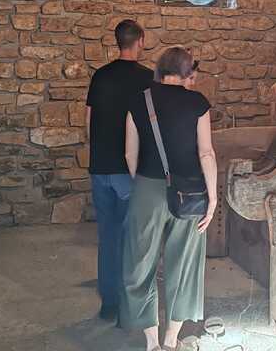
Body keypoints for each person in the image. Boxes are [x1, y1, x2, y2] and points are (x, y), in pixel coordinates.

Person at [121, 47, 217, 351]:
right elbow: (206, 153)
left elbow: (129, 153)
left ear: (161, 70)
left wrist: (144, 184)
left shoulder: (139, 100)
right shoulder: (197, 103)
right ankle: (171, 340)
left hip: (147, 188)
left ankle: (151, 343)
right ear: (187, 72)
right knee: (184, 264)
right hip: (189, 192)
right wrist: (213, 198)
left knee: (139, 264)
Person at [85, 19, 153, 321]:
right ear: (140, 41)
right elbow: (150, 125)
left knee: (108, 236)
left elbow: (88, 120)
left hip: (100, 166)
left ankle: (109, 303)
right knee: (132, 237)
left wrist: (97, 152)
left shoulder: (100, 76)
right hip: (129, 168)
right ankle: (130, 302)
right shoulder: (147, 78)